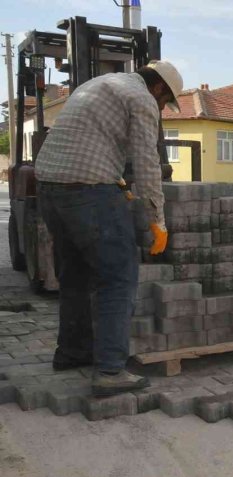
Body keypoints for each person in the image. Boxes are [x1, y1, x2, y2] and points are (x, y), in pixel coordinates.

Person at [35, 60, 183, 396]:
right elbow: (147, 163)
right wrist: (157, 220)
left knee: (74, 275)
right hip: (89, 191)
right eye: (165, 101)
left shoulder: (99, 84)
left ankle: (72, 353)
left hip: (49, 188)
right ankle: (110, 372)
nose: (162, 108)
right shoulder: (142, 98)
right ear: (158, 88)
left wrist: (116, 180)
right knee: (118, 277)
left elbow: (91, 143)